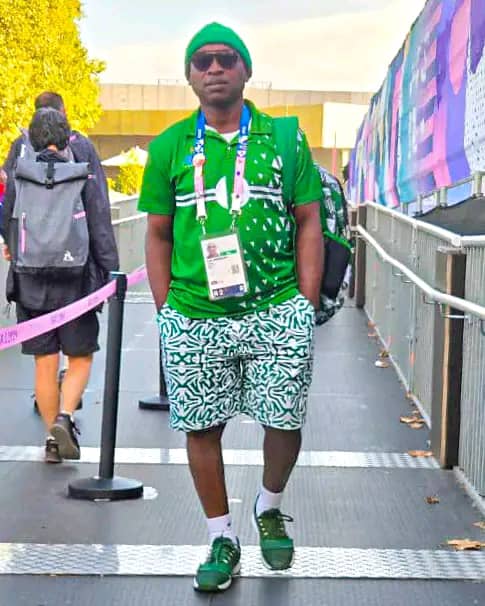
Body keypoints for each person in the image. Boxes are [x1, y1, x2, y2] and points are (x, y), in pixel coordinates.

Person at [138, 22, 323, 593]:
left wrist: (304, 306)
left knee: (284, 418)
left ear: (246, 70)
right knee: (201, 427)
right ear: (189, 76)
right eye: (202, 61)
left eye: (225, 58)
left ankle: (269, 505)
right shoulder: (169, 146)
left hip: (276, 306)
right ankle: (221, 537)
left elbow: (309, 221)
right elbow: (158, 234)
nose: (214, 68)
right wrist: (168, 311)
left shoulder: (284, 138)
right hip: (195, 313)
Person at [1, 108, 119, 464]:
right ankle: (65, 417)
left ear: (32, 140)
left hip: (30, 281)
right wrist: (111, 273)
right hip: (76, 282)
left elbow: (6, 218)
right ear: (68, 138)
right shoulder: (82, 174)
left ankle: (52, 440)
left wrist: (14, 246)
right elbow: (100, 225)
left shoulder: (20, 175)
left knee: (45, 363)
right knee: (80, 357)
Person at [2, 91, 109, 201]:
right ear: (63, 112)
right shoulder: (80, 145)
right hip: (69, 210)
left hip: (29, 210)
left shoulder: (22, 144)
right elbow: (98, 195)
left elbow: (7, 185)